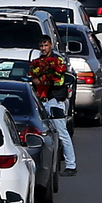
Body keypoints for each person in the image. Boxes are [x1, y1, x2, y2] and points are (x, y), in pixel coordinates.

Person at [32, 35, 77, 177]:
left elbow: (59, 80)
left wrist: (46, 80)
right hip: (41, 101)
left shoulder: (57, 61)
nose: (43, 48)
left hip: (55, 101)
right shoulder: (37, 62)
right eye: (41, 46)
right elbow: (34, 79)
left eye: (45, 45)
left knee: (62, 133)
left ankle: (71, 165)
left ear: (51, 45)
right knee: (44, 135)